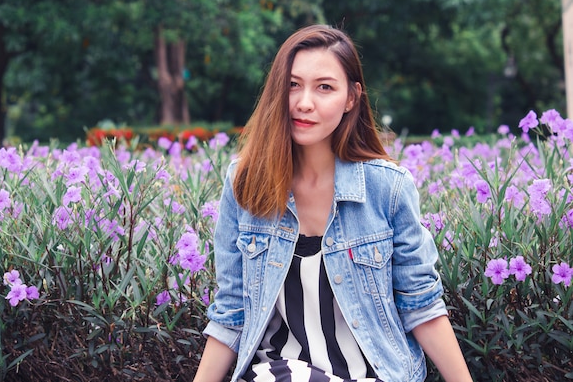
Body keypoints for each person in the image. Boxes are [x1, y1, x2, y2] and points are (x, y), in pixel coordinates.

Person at [193, 25, 472, 382]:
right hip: (278, 373)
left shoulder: (387, 188)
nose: (304, 102)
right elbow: (232, 312)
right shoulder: (246, 183)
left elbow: (422, 307)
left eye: (324, 87)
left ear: (352, 98)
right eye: (292, 85)